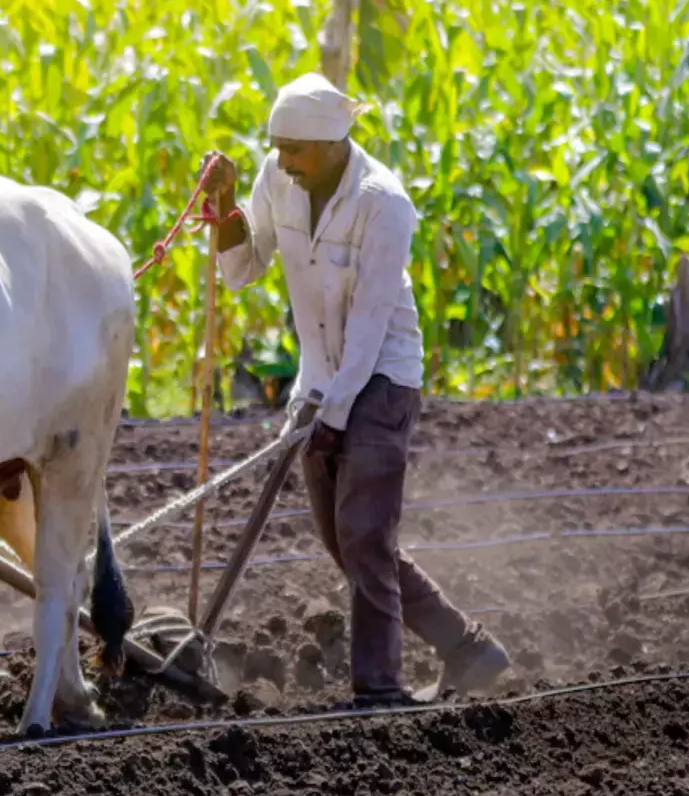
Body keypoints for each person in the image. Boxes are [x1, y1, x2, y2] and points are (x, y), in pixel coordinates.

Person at [199, 72, 511, 707]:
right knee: (348, 542)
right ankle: (471, 651)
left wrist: (335, 417)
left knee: (365, 539)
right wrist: (227, 207)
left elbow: (369, 324)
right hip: (319, 381)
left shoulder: (383, 202)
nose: (284, 163)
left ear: (335, 144)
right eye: (278, 147)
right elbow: (241, 269)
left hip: (383, 380)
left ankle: (379, 690)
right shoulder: (274, 178)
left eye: (296, 151)